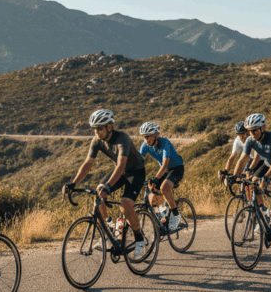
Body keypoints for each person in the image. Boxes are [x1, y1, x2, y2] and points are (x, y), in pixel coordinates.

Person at [63, 109, 148, 258]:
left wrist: (109, 186)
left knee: (125, 204)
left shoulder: (122, 138)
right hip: (120, 171)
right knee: (99, 191)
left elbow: (121, 165)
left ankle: (139, 239)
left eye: (99, 128)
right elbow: (88, 164)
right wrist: (74, 183)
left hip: (136, 172)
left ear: (109, 127)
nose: (97, 132)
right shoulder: (97, 141)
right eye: (94, 129)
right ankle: (111, 229)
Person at [232, 113, 271, 249]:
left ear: (262, 128)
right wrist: (233, 176)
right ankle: (265, 213)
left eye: (255, 130)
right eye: (249, 131)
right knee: (253, 182)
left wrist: (266, 178)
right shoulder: (250, 140)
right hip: (267, 163)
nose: (252, 133)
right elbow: (242, 160)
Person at [138, 122, 184, 231]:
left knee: (164, 188)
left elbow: (165, 165)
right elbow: (138, 162)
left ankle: (176, 214)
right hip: (165, 171)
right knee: (151, 195)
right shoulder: (145, 145)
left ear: (156, 135)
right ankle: (161, 217)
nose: (146, 140)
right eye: (144, 137)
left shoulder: (165, 143)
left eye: (148, 137)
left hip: (176, 168)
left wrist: (156, 178)